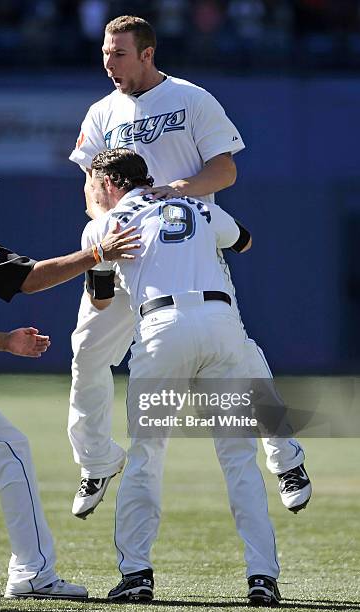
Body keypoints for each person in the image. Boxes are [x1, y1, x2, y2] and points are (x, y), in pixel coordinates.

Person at [68, 14, 311, 520]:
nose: (109, 63)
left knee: (241, 355)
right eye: (105, 53)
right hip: (123, 251)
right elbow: (93, 185)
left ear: (148, 53)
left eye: (119, 53)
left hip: (185, 248)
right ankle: (96, 461)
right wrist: (106, 225)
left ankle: (285, 455)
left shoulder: (190, 98)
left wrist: (176, 190)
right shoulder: (101, 112)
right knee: (87, 351)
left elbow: (226, 168)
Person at [81, 147, 282, 606]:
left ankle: (136, 574)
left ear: (109, 184)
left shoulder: (103, 226)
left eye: (94, 184)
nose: (91, 192)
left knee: (147, 454)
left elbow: (100, 301)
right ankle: (262, 578)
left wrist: (105, 250)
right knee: (238, 459)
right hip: (220, 326)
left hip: (161, 332)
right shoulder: (196, 205)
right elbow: (245, 240)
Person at [0, 160, 139, 600]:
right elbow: (28, 280)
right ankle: (33, 574)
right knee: (12, 455)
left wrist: (3, 342)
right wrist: (97, 253)